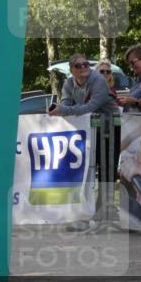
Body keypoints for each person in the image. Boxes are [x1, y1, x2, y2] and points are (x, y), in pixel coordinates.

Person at [50, 53, 119, 231]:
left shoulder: (98, 81)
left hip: (109, 128)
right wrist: (62, 109)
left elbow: (89, 107)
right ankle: (87, 215)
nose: (83, 68)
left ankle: (108, 217)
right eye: (79, 66)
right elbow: (66, 104)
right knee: (87, 171)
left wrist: (64, 109)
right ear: (71, 70)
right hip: (88, 131)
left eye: (86, 64)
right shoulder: (68, 83)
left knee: (107, 171)